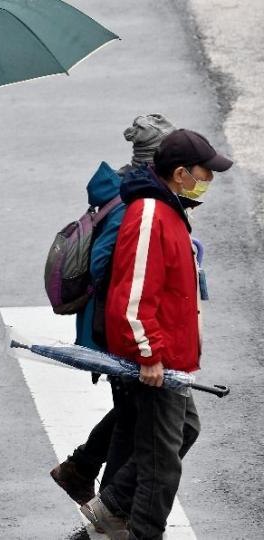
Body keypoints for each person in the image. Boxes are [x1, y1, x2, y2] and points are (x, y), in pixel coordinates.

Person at [81, 129, 232, 540]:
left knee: (184, 431)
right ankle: (139, 528)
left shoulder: (168, 206)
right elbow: (132, 297)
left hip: (173, 359)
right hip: (159, 358)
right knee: (160, 468)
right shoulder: (150, 214)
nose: (210, 180)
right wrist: (149, 354)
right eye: (206, 172)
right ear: (181, 174)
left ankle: (109, 505)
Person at [52, 114, 177, 506]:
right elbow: (103, 262)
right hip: (117, 325)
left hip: (115, 321)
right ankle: (109, 504)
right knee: (133, 413)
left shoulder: (131, 186)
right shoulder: (131, 202)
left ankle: (82, 468)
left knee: (130, 409)